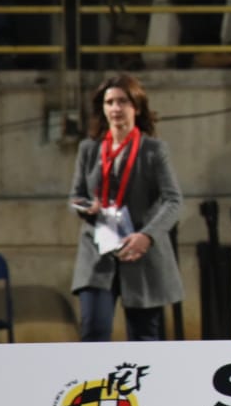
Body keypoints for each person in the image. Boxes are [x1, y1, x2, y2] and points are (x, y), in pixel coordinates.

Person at [66, 74, 185, 342]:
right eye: (110, 102)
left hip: (140, 253)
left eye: (122, 101)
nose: (116, 108)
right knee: (93, 332)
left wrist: (148, 235)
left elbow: (173, 199)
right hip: (97, 253)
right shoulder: (88, 149)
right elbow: (75, 196)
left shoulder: (154, 150)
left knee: (144, 339)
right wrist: (86, 207)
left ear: (137, 107)